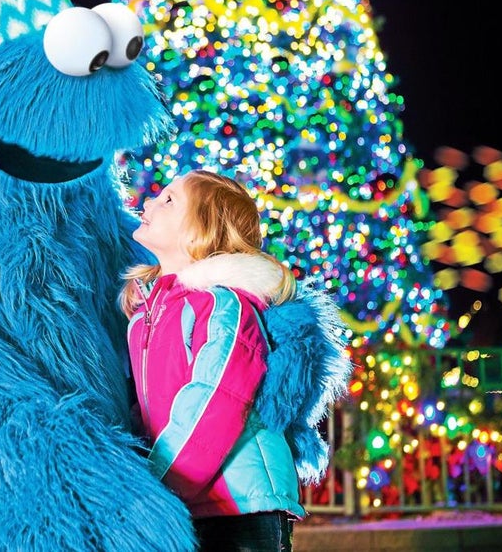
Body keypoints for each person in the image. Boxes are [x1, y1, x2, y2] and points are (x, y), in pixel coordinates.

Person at [120, 168, 350, 552]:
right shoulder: (145, 314)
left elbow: (216, 398)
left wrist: (157, 486)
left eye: (169, 200)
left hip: (238, 509)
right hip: (190, 502)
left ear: (198, 232)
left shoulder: (221, 305)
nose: (149, 201)